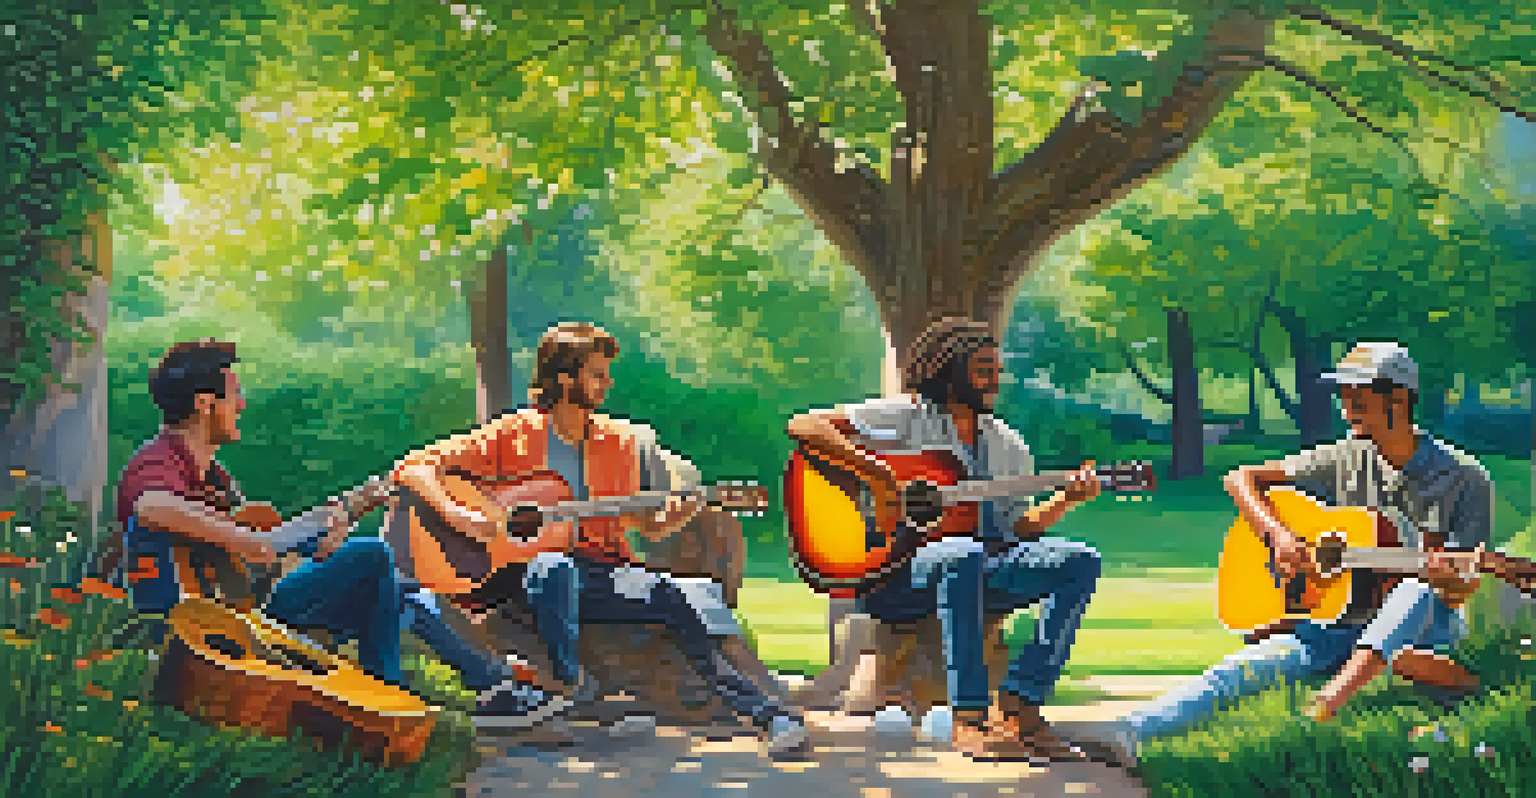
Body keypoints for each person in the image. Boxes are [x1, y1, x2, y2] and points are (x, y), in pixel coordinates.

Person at [390, 321, 810, 755]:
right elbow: (413, 468)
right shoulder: (512, 434)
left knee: (674, 597)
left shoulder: (621, 442)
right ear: (563, 377)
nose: (607, 382)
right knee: (552, 565)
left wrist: (677, 515)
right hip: (513, 573)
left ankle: (767, 713)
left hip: (599, 571)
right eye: (596, 373)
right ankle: (566, 685)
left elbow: (644, 526)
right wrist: (462, 515)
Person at [1098, 341, 1512, 766]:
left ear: (1399, 398)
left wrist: (1449, 575)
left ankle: (1335, 696)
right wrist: (1278, 536)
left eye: (1358, 397)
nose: (1346, 408)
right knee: (1245, 668)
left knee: (1414, 587)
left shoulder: (1464, 479)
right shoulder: (1344, 458)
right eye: (1343, 396)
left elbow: (1459, 590)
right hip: (1339, 621)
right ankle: (1128, 730)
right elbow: (1241, 478)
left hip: (1426, 627)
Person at [116, 339, 538, 727]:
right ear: (206, 405)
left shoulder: (220, 482)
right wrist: (252, 541)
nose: (242, 404)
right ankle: (411, 698)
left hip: (245, 610)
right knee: (387, 577)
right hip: (196, 627)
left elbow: (255, 567)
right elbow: (148, 507)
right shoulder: (157, 463)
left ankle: (396, 698)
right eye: (235, 394)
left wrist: (328, 532)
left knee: (375, 565)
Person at [785, 316, 1105, 762]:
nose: (996, 380)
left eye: (997, 369)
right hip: (891, 575)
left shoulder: (1007, 444)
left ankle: (1021, 707)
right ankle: (968, 720)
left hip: (974, 570)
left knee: (1079, 559)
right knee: (962, 552)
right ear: (949, 374)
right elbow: (804, 426)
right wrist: (876, 473)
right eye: (983, 370)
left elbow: (1015, 531)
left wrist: (1065, 501)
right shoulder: (905, 416)